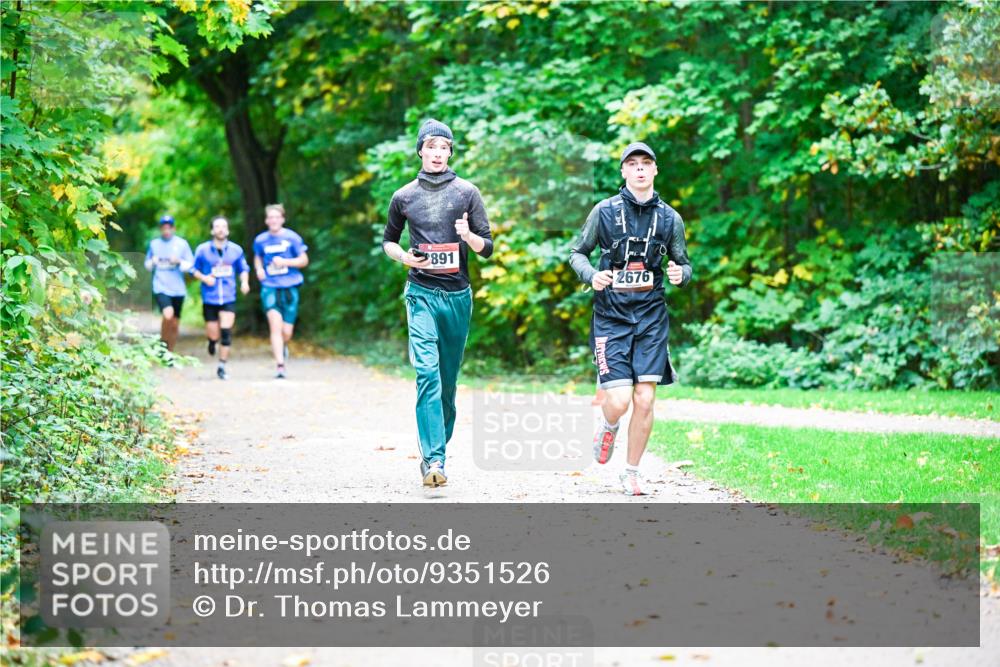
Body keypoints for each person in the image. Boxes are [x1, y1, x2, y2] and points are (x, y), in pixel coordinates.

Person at [568, 142, 693, 496]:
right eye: (632, 164)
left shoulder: (670, 218)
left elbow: (685, 263)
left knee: (645, 399)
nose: (639, 169)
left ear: (655, 170)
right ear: (623, 171)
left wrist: (681, 274)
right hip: (611, 316)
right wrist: (591, 275)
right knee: (620, 400)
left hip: (652, 317)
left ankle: (632, 472)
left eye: (646, 163)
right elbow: (577, 253)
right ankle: (609, 425)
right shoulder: (604, 212)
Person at [381, 119, 493, 488]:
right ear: (420, 151)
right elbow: (390, 241)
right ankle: (434, 459)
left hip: (457, 297)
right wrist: (405, 259)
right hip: (421, 293)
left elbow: (487, 248)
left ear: (450, 153)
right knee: (427, 373)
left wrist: (468, 236)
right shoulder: (404, 196)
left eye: (444, 148)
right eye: (431, 147)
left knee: (447, 382)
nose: (437, 153)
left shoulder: (467, 193)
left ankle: (437, 448)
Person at [252, 204, 309, 379]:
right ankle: (280, 365)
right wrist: (259, 270)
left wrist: (286, 262)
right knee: (275, 326)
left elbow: (304, 260)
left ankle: (283, 346)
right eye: (270, 217)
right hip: (270, 286)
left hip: (290, 286)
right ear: (266, 220)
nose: (274, 220)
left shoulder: (293, 238)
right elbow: (257, 258)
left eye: (277, 217)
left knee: (286, 332)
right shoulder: (261, 240)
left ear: (282, 219)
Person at [191, 216, 251, 380]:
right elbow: (193, 269)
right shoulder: (202, 250)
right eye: (217, 226)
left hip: (228, 296)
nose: (220, 229)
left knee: (226, 332)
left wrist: (244, 283)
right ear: (212, 230)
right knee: (213, 333)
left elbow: (243, 268)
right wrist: (205, 278)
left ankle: (222, 366)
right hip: (210, 298)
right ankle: (211, 342)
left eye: (223, 226)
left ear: (228, 230)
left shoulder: (236, 250)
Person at [144, 214, 194, 353]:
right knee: (168, 315)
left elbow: (191, 265)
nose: (166, 230)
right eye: (164, 228)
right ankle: (163, 345)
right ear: (160, 229)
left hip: (178, 289)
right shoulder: (154, 244)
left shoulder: (182, 244)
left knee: (175, 324)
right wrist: (152, 261)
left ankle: (169, 352)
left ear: (173, 228)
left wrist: (179, 261)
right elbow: (147, 265)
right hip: (161, 286)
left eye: (169, 227)